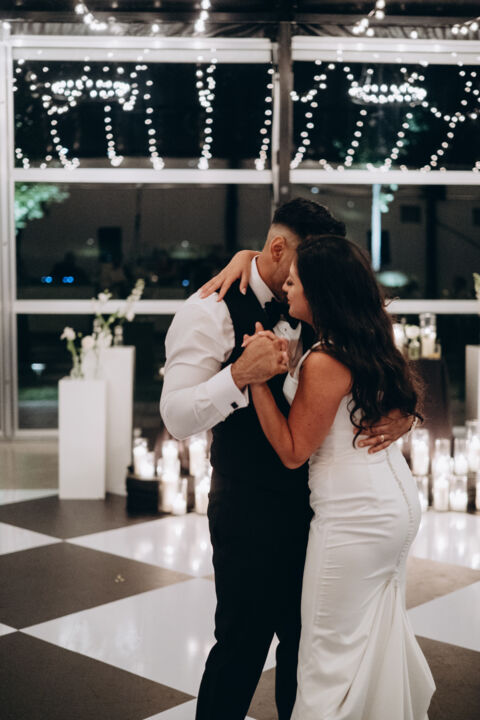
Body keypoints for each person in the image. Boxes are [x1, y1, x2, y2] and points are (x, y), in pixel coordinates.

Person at [160, 198, 413, 720]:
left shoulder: (320, 303)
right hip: (248, 509)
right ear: (278, 250)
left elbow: (370, 363)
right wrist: (238, 376)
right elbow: (176, 417)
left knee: (307, 651)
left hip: (325, 514)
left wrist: (403, 414)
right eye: (301, 262)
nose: (306, 275)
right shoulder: (208, 311)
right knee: (240, 646)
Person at [210, 233, 436, 719]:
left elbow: (293, 452)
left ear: (320, 291)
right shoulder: (364, 341)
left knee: (325, 658)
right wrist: (246, 256)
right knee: (366, 644)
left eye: (295, 282)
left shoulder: (325, 359)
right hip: (389, 500)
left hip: (354, 517)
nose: (287, 288)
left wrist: (256, 382)